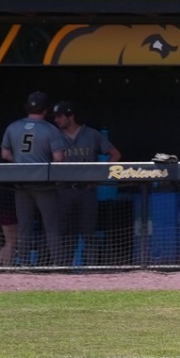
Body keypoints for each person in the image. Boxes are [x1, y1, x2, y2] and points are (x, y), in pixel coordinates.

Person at [48, 100, 120, 265]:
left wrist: (101, 173)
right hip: (64, 190)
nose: (56, 120)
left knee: (88, 233)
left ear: (70, 116)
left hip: (87, 190)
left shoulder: (92, 134)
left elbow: (115, 154)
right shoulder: (55, 135)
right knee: (66, 234)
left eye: (59, 116)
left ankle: (91, 272)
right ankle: (63, 271)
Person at [0, 92, 63, 266]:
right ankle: (59, 265)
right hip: (43, 183)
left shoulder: (13, 127)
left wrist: (21, 162)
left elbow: (5, 154)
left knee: (25, 227)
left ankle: (25, 265)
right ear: (45, 110)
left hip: (21, 183)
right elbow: (58, 158)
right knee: (51, 227)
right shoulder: (50, 129)